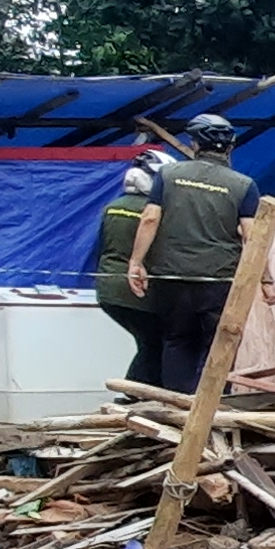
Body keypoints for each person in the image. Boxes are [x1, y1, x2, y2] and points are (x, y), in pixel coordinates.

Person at [125, 116, 265, 392]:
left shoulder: (168, 175)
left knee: (177, 341)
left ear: (195, 143)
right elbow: (252, 236)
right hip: (218, 279)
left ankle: (176, 409)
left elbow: (150, 219)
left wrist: (136, 262)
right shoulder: (244, 185)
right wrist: (266, 279)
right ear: (230, 147)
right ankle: (210, 410)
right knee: (218, 344)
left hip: (170, 276)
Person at [90, 156, 167, 387]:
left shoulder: (111, 207)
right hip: (136, 288)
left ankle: (136, 392)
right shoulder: (153, 212)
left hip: (107, 288)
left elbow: (102, 245)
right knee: (158, 342)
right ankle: (135, 392)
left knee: (148, 341)